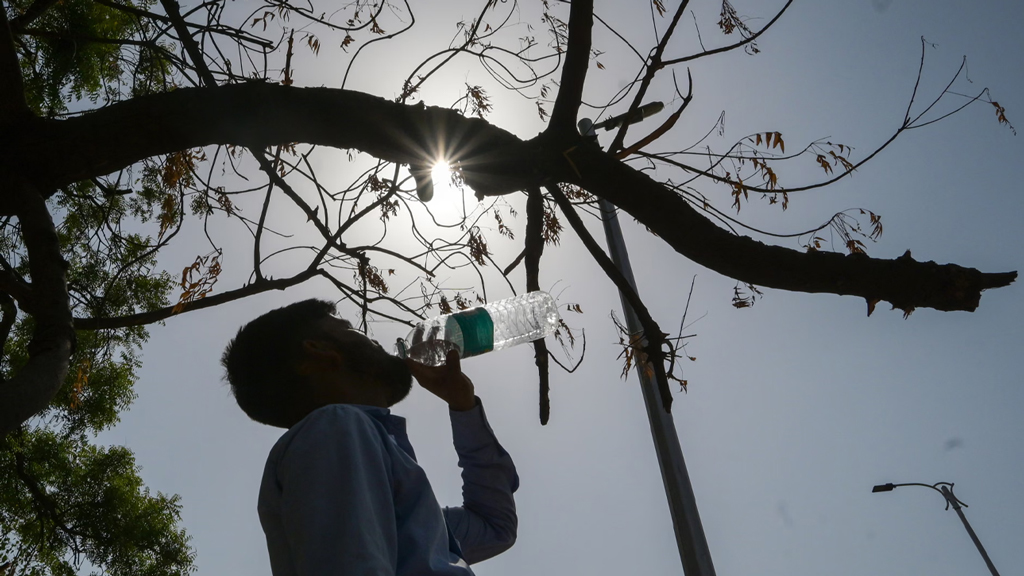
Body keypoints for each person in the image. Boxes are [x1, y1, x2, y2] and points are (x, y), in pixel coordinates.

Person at [220, 299, 519, 576]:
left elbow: (495, 526)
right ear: (319, 351)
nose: (374, 339)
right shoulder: (335, 427)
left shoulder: (375, 474)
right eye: (350, 328)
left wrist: (463, 407)